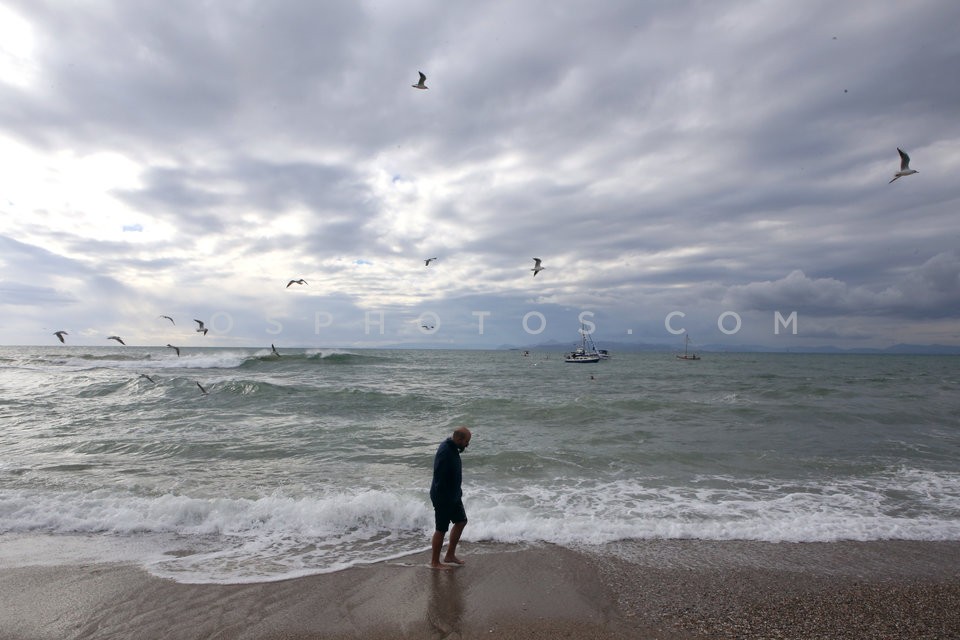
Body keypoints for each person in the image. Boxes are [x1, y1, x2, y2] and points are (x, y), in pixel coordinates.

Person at [429, 426, 472, 569]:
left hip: (453, 496)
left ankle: (449, 555)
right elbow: (439, 478)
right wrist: (444, 500)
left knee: (461, 521)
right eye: (466, 441)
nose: (467, 444)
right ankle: (435, 562)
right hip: (443, 497)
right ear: (459, 439)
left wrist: (456, 493)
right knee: (441, 529)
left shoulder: (453, 447)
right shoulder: (445, 451)